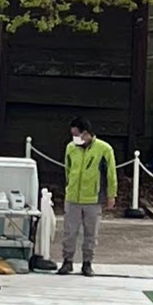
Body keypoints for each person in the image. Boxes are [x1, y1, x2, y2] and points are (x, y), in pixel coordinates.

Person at [59, 116, 116, 277]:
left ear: (85, 134)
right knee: (69, 231)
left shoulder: (104, 149)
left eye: (76, 134)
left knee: (91, 233)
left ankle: (87, 263)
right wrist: (68, 187)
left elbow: (111, 174)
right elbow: (67, 169)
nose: (74, 138)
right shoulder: (71, 148)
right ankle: (67, 261)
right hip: (73, 197)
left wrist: (111, 195)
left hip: (92, 198)